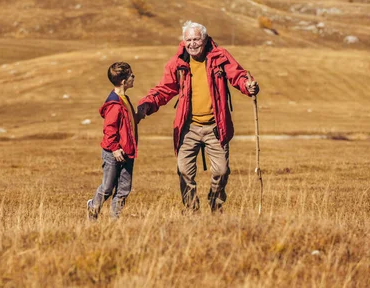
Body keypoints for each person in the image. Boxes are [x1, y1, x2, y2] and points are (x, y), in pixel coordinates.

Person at [137, 21, 259, 212]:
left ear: (205, 39)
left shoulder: (219, 57)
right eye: (188, 40)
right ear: (183, 41)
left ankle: (215, 203)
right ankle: (192, 209)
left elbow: (237, 75)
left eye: (196, 39)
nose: (192, 44)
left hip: (215, 127)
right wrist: (147, 105)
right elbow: (164, 90)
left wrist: (247, 86)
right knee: (184, 171)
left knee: (221, 171)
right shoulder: (178, 63)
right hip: (188, 127)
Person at [87, 62, 138, 220]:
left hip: (126, 152)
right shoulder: (114, 105)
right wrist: (115, 149)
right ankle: (93, 207)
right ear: (124, 81)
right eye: (131, 75)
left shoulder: (124, 99)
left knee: (124, 188)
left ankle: (115, 220)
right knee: (108, 187)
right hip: (113, 153)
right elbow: (109, 130)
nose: (133, 77)